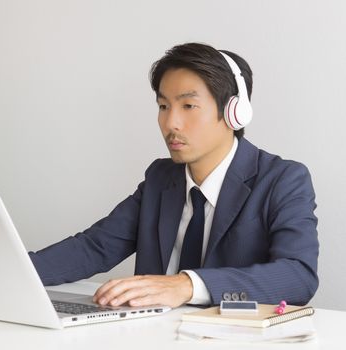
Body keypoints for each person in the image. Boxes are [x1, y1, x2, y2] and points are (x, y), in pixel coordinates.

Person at [28, 42, 319, 308]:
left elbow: (298, 276)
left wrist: (187, 285)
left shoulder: (282, 180)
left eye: (188, 106)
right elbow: (95, 247)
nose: (171, 122)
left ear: (234, 112)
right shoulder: (161, 178)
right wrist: (7, 272)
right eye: (163, 106)